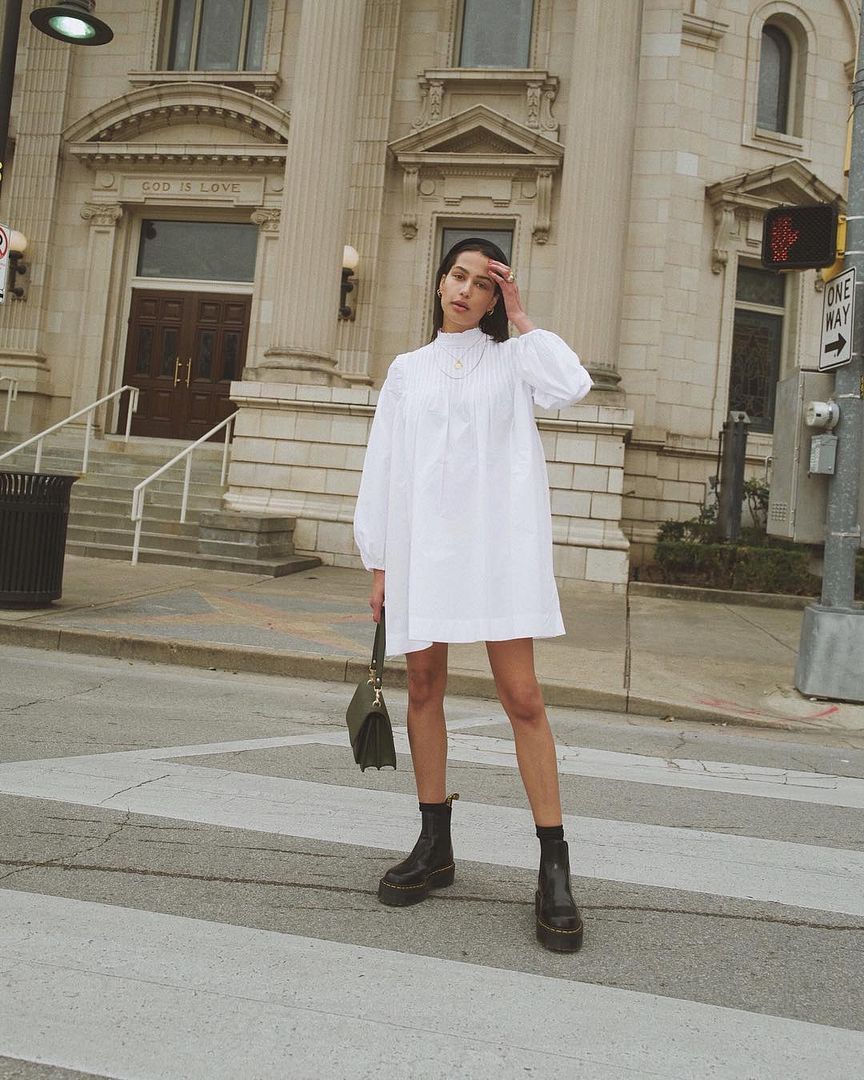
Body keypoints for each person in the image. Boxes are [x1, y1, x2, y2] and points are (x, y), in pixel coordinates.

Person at [353, 237, 592, 952]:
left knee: (523, 698)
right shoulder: (406, 371)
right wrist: (380, 562)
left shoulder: (515, 360)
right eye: (457, 275)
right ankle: (435, 845)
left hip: (497, 552)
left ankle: (554, 868)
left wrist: (522, 316)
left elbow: (573, 386)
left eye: (482, 284)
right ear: (438, 282)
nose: (465, 290)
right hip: (423, 551)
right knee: (423, 689)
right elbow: (384, 465)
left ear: (493, 298)